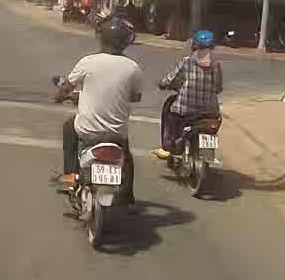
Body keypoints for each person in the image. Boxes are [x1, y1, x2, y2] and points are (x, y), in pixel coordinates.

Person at [53, 17, 144, 203]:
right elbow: (135, 97)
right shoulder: (133, 68)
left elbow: (67, 87)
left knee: (69, 128)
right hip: (117, 133)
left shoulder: (88, 62)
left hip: (88, 129)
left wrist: (59, 97)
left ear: (102, 38)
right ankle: (128, 193)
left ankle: (70, 175)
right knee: (126, 155)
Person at [154, 30, 223, 159]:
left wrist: (163, 84)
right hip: (210, 112)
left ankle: (167, 147)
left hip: (185, 110)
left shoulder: (187, 61)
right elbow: (218, 88)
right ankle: (207, 150)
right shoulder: (216, 65)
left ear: (194, 46)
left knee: (171, 116)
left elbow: (171, 79)